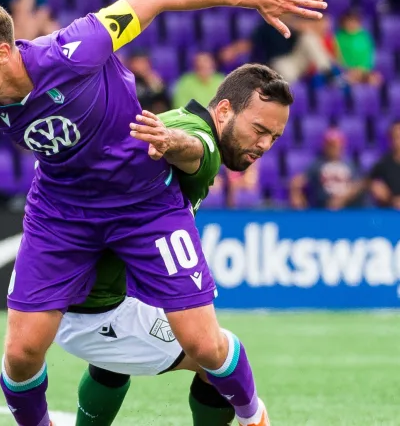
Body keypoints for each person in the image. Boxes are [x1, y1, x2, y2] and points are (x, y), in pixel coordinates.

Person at [0, 0, 325, 426]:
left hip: (144, 204)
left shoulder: (75, 49)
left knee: (203, 345)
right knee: (21, 355)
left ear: (3, 53)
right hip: (61, 212)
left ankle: (254, 417)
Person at [54, 64, 292, 426]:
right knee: (222, 359)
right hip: (89, 311)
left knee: (116, 361)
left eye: (274, 137)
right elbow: (193, 147)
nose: (264, 145)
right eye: (259, 130)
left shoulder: (177, 118)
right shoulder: (199, 136)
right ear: (224, 110)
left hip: (72, 295)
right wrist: (172, 143)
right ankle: (256, 419)